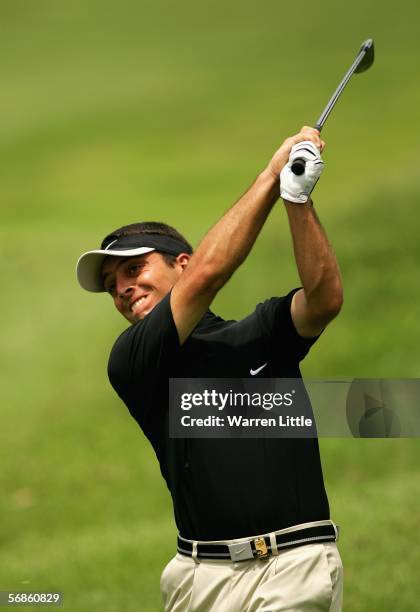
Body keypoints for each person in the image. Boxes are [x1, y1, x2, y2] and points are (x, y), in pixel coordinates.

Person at [77, 126, 344, 611]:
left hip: (295, 565)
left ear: (180, 263)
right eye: (112, 284)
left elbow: (324, 300)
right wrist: (270, 173)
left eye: (134, 269)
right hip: (198, 579)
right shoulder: (134, 360)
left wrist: (297, 198)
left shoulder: (260, 332)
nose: (122, 289)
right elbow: (209, 274)